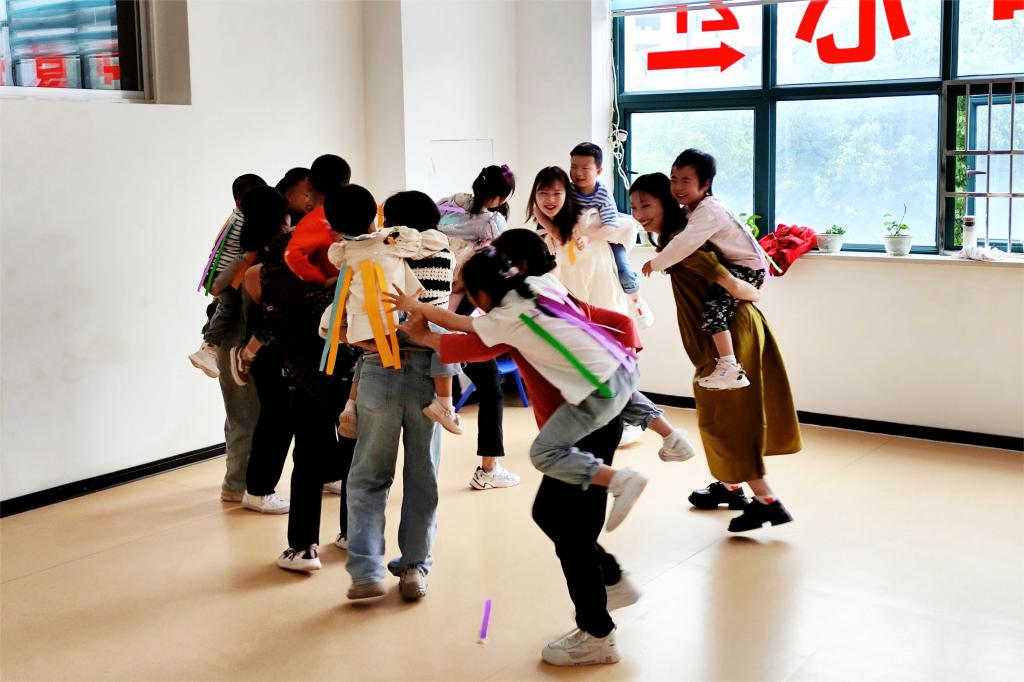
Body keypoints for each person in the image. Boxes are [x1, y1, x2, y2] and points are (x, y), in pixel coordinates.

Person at [385, 249, 649, 532]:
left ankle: (619, 480)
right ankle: (669, 435)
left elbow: (457, 324)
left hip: (596, 390)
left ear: (481, 294)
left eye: (470, 295)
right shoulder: (541, 284)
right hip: (625, 367)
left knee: (544, 454)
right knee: (623, 406)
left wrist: (416, 311)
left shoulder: (505, 318)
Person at [631, 172, 801, 532]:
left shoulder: (683, 241)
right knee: (721, 412)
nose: (639, 214)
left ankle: (767, 502)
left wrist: (749, 291)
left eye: (646, 204)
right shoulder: (677, 240)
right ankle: (730, 485)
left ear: (667, 202)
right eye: (633, 207)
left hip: (731, 335)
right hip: (729, 330)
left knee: (728, 418)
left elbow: (724, 277)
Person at [239, 186, 358, 570]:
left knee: (307, 459)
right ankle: (352, 534)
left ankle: (304, 548)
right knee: (354, 455)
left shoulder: (266, 272)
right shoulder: (363, 264)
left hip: (305, 376)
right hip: (355, 372)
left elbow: (268, 317)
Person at [320, 184, 462, 434]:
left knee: (360, 339)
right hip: (417, 329)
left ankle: (350, 404)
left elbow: (341, 260)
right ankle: (445, 403)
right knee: (447, 341)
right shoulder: (406, 246)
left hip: (374, 330)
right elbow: (421, 241)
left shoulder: (348, 250)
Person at [641, 149, 770, 391]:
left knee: (713, 310)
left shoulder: (708, 211)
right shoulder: (693, 210)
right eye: (674, 179)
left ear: (706, 184)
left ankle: (730, 366)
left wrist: (656, 263)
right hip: (741, 268)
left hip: (746, 269)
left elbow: (685, 242)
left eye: (686, 181)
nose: (678, 187)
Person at [436, 165, 521, 491]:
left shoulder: (448, 202)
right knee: (490, 387)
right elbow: (502, 266)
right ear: (500, 197)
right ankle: (489, 468)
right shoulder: (493, 222)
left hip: (426, 298)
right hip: (460, 309)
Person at [564, 142, 653, 327]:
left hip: (610, 238)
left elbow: (611, 225)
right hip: (580, 241)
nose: (578, 173)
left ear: (598, 171)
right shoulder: (568, 191)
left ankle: (637, 300)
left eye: (585, 168)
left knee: (624, 272)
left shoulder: (602, 193)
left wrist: (589, 238)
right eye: (573, 167)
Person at [529, 166, 634, 317]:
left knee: (606, 324)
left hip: (599, 285)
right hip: (572, 289)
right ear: (534, 195)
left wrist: (590, 238)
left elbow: (627, 226)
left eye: (557, 193)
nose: (550, 199)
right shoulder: (544, 226)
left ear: (567, 194)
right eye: (543, 193)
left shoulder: (586, 218)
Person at [189, 173, 267, 377]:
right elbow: (245, 253)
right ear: (240, 202)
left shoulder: (236, 216)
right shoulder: (244, 223)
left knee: (222, 305)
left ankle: (209, 335)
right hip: (222, 275)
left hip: (218, 272)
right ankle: (210, 346)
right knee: (229, 306)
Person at [283, 154, 351, 287]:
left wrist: (321, 280)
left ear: (308, 183)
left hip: (337, 288)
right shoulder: (353, 213)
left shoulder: (314, 220)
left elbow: (292, 255)